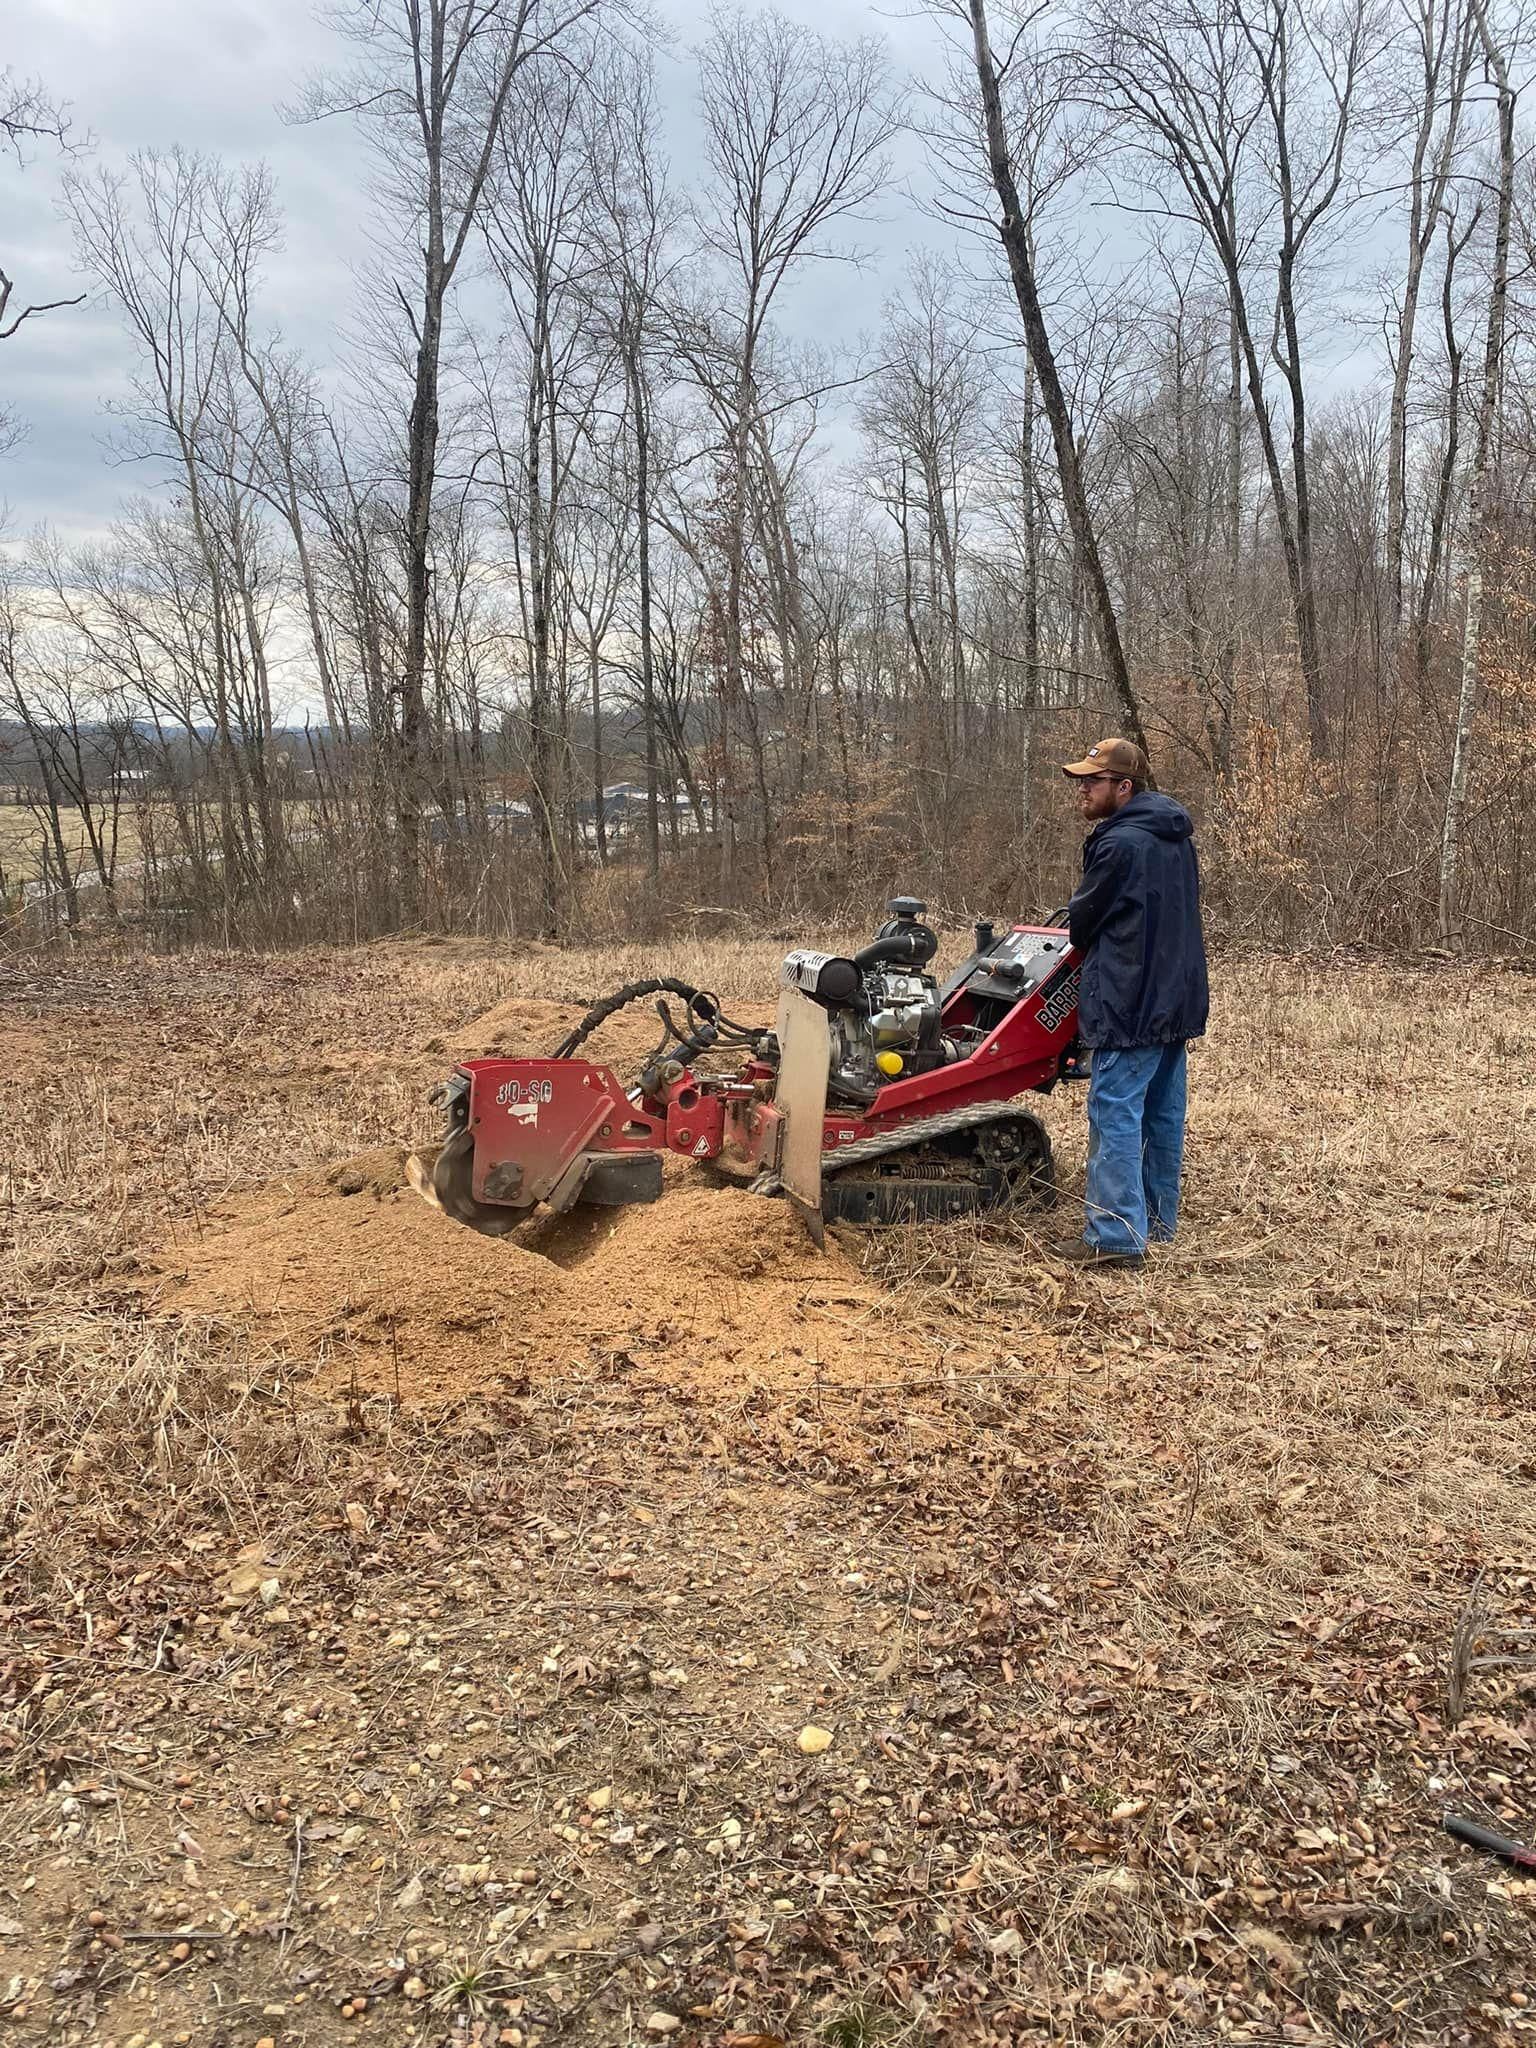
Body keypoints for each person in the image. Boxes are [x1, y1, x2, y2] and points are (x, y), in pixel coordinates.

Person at [1058, 737, 1208, 1270]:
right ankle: (1156, 1219)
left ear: (1124, 788)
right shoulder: (1175, 837)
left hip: (1130, 999)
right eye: (1081, 780)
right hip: (1177, 997)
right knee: (1162, 1112)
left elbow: (1083, 924)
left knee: (1115, 1111)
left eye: (1092, 782)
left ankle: (1115, 1237)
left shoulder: (1119, 844)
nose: (1082, 789)